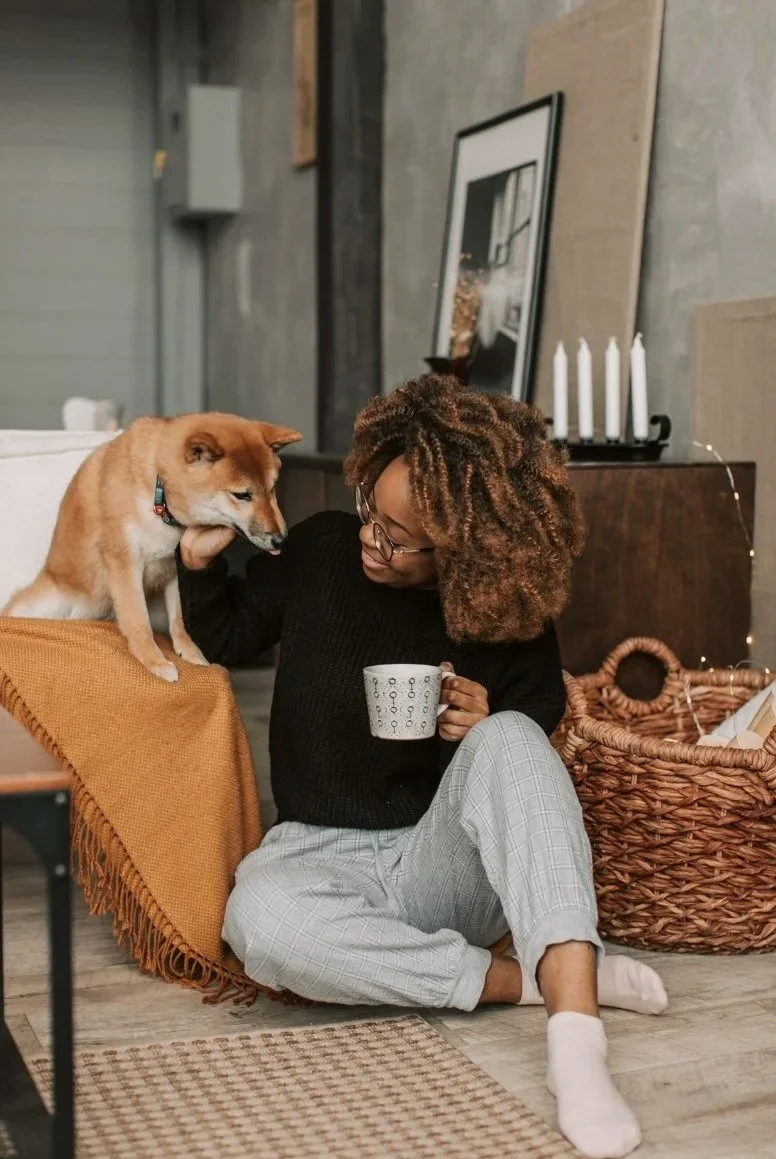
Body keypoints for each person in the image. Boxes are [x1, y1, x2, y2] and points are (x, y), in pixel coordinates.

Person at [176, 375, 666, 1159]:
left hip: (441, 862)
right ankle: (524, 979)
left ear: (467, 550)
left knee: (509, 737)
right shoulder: (324, 547)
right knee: (259, 919)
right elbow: (229, 634)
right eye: (375, 508)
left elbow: (532, 735)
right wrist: (197, 564)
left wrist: (475, 726)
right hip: (318, 853)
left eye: (403, 539)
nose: (375, 537)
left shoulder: (504, 607)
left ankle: (577, 1046)